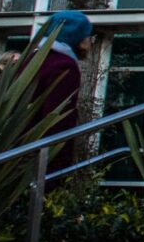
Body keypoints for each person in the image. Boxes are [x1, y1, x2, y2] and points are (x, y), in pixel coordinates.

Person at [33, 10, 96, 170]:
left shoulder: (32, 60)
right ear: (79, 39)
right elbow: (57, 117)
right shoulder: (63, 66)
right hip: (40, 157)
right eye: (89, 37)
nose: (90, 43)